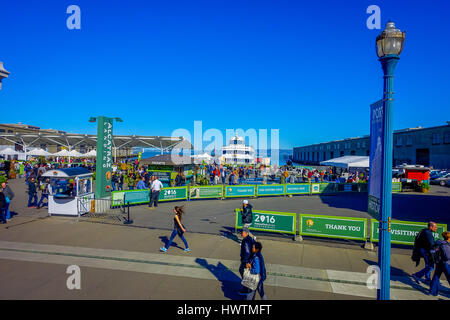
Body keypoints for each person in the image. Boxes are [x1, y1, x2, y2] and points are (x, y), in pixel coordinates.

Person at [429, 231, 450, 296]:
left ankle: (432, 292)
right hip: (446, 263)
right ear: (449, 238)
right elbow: (447, 256)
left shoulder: (440, 243)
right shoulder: (445, 245)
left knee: (436, 276)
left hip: (439, 263)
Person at [238, 227, 255, 295]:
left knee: (242, 271)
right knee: (245, 273)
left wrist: (245, 261)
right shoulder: (249, 239)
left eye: (242, 232)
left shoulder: (246, 241)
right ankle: (247, 288)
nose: (241, 234)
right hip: (249, 259)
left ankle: (246, 289)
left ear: (246, 233)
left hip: (246, 260)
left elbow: (247, 252)